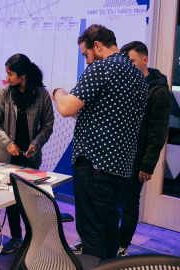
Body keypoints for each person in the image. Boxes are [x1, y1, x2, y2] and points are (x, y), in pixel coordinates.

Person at [51, 25, 149, 260]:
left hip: (94, 163)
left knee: (91, 230)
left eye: (86, 54)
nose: (86, 61)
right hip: (120, 167)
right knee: (108, 226)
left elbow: (64, 108)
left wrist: (58, 92)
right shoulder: (139, 76)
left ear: (97, 45)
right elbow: (114, 114)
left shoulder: (101, 68)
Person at [0, 53, 54, 254]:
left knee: (31, 200)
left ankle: (33, 239)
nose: (7, 78)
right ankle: (16, 237)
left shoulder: (42, 95)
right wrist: (7, 144)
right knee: (11, 200)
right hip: (5, 155)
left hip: (29, 156)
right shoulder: (3, 93)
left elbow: (48, 125)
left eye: (10, 73)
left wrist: (36, 143)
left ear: (23, 75)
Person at [116, 41, 172, 256]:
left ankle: (123, 245)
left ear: (145, 59)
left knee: (129, 204)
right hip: (119, 156)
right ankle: (108, 241)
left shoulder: (159, 92)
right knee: (111, 202)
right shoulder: (126, 85)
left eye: (131, 61)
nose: (128, 66)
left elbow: (158, 134)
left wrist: (147, 165)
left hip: (137, 160)